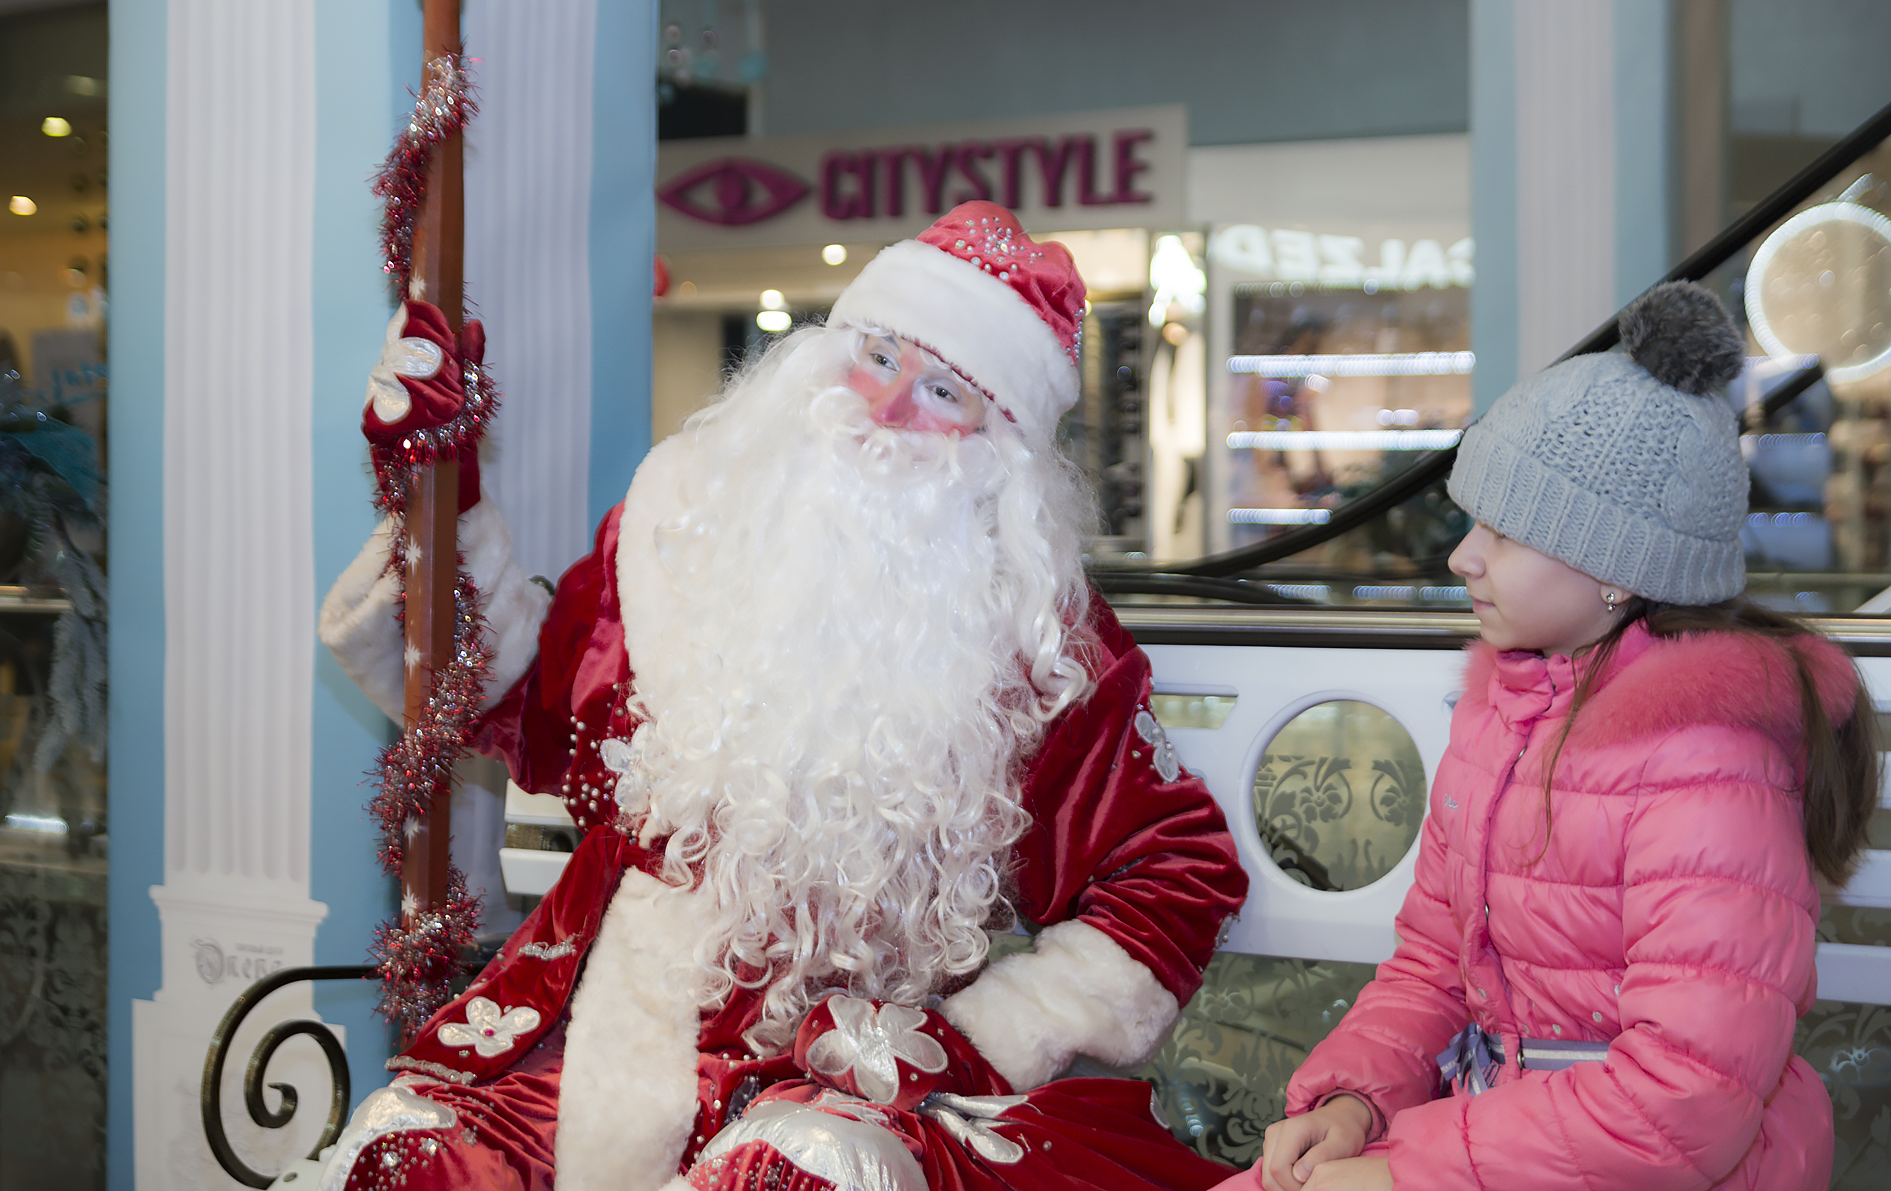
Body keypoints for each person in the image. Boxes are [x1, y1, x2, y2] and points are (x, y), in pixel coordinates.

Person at [315, 201, 1249, 1191]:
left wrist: (979, 1036)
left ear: (998, 450)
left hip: (821, 1068)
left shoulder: (1032, 641)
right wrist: (436, 477)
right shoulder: (681, 525)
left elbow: (1171, 867)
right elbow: (534, 708)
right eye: (878, 354)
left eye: (941, 387)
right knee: (405, 1159)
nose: (886, 407)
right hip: (587, 1027)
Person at [1214, 280, 1879, 1191]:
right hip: (1496, 1131)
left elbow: (1682, 1105)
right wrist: (1352, 1104)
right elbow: (1432, 971)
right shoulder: (1506, 711)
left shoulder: (1709, 763)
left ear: (1617, 569)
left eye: (1506, 529)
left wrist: (1403, 1169)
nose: (1462, 556)